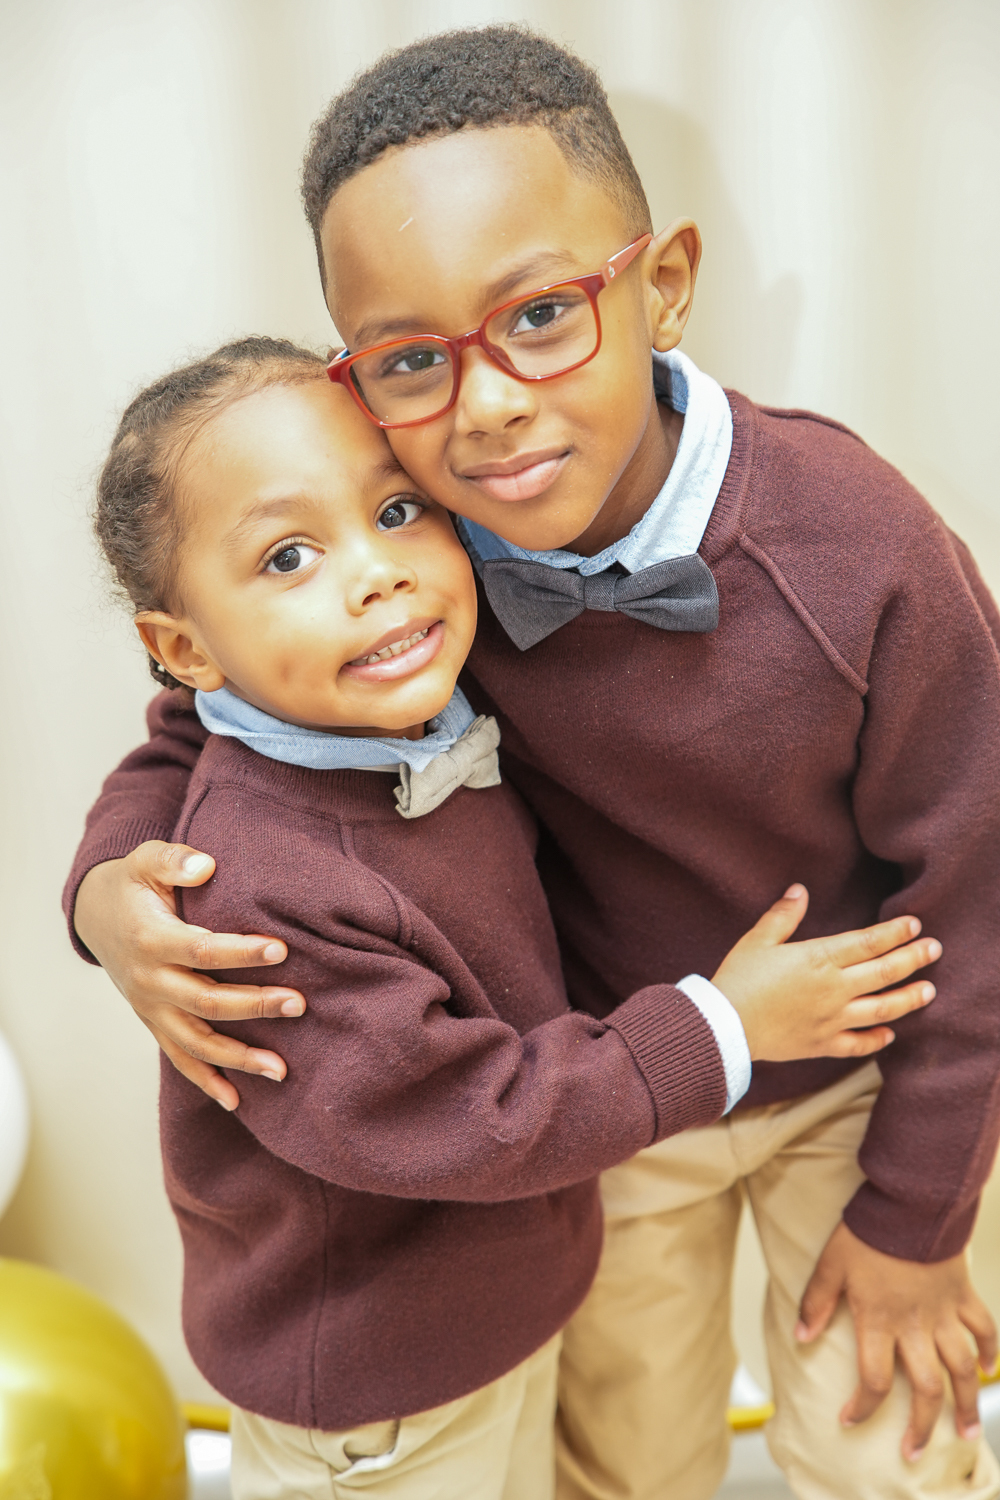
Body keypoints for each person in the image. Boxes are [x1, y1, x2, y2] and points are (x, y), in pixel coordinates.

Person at [66, 25, 1000, 1500]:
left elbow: (983, 887)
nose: (491, 403)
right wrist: (110, 887)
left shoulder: (861, 550)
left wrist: (918, 1222)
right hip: (605, 1087)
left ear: (662, 285)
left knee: (892, 1446)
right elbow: (200, 718)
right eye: (415, 361)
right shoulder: (413, 545)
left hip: (859, 1072)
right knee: (626, 1458)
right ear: (361, 374)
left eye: (545, 316)